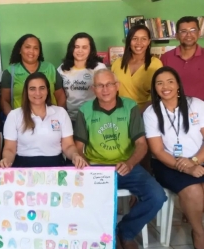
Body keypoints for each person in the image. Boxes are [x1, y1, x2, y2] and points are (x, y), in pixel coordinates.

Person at [74, 68, 166, 249]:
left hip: (127, 166)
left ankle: (126, 231)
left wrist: (130, 163)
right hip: (96, 168)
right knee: (90, 201)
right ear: (93, 89)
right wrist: (86, 166)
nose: (105, 89)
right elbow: (78, 148)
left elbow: (141, 144)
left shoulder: (130, 106)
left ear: (117, 86)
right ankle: (105, 236)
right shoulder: (85, 110)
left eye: (109, 84)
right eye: (100, 86)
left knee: (157, 196)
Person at [143, 66, 204, 249]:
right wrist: (187, 167)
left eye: (170, 81)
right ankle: (198, 232)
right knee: (193, 190)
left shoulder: (197, 104)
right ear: (155, 88)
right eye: (159, 83)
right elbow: (159, 152)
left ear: (178, 84)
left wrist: (195, 161)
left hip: (198, 157)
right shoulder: (151, 113)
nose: (165, 86)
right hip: (167, 164)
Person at [0, 72, 85, 168]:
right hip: (23, 170)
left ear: (47, 90)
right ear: (26, 92)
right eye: (32, 89)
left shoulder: (60, 113)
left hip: (55, 168)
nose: (37, 93)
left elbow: (68, 146)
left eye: (42, 88)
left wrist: (75, 155)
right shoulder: (14, 115)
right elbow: (10, 149)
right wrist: (6, 160)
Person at [0, 34, 66, 116]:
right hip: (22, 121)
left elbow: (61, 96)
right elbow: (4, 100)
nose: (31, 51)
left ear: (39, 52)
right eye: (27, 47)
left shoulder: (50, 68)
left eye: (36, 48)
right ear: (20, 50)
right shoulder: (10, 72)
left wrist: (57, 116)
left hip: (50, 120)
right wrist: (14, 119)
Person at [57, 32, 106, 125]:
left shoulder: (99, 68)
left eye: (84, 47)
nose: (80, 51)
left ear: (90, 49)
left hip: (93, 118)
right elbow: (59, 95)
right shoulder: (62, 69)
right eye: (77, 47)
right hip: (69, 118)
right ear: (72, 48)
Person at [112, 25, 163, 112]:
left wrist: (141, 114)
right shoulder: (117, 63)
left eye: (143, 39)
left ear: (148, 42)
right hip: (120, 113)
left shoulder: (155, 64)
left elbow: (157, 93)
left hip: (145, 113)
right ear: (129, 41)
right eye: (134, 38)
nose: (139, 43)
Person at [161, 16, 204, 101]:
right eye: (183, 31)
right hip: (174, 110)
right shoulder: (166, 58)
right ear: (177, 36)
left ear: (199, 33)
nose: (189, 35)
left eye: (193, 30)